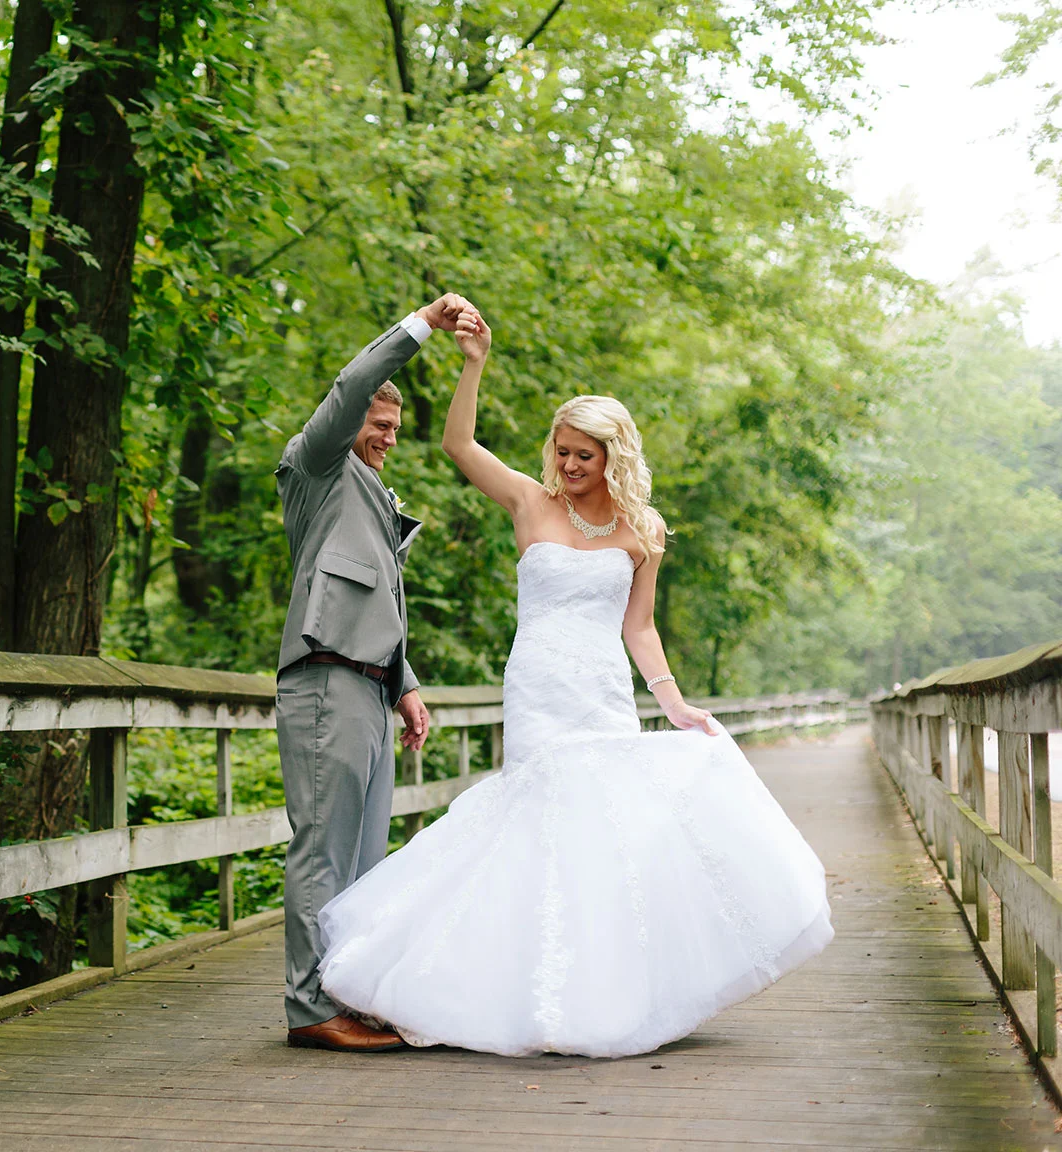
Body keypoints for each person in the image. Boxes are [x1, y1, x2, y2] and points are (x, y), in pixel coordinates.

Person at [314, 314, 833, 1057]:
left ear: (612, 455)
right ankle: (505, 988)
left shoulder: (643, 530)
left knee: (606, 834)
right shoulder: (533, 504)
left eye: (583, 454)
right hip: (538, 687)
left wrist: (673, 702)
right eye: (561, 451)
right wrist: (473, 362)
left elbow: (639, 628)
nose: (569, 464)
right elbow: (459, 446)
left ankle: (601, 992)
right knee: (538, 824)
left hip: (601, 690)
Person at [274, 293, 486, 1053]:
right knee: (323, 854)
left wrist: (407, 685)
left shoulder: (371, 487)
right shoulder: (318, 464)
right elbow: (354, 381)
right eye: (380, 424)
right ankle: (310, 1009)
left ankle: (351, 994)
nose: (390, 438)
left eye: (396, 428)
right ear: (350, 420)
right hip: (325, 686)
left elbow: (373, 599)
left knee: (365, 865)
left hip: (370, 688)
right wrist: (423, 324)